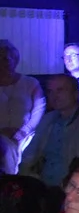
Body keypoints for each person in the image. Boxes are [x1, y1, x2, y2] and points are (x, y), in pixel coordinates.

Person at [20, 75, 79, 189]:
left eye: (60, 90)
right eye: (50, 91)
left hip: (71, 188)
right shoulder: (48, 119)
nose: (54, 96)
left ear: (76, 93)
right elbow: (30, 154)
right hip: (41, 186)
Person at [0, 40, 46, 172]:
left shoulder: (30, 83)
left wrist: (24, 131)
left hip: (27, 135)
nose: (6, 62)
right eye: (1, 58)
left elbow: (39, 110)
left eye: (9, 58)